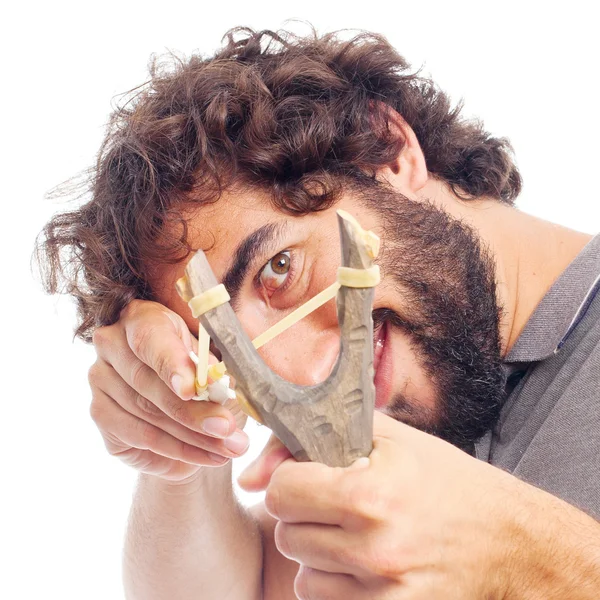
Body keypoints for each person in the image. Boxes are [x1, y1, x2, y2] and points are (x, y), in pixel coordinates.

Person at [37, 26, 600, 599]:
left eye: (278, 268)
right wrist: (181, 442)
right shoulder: (399, 440)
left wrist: (525, 562)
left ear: (388, 153)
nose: (301, 374)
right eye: (227, 346)